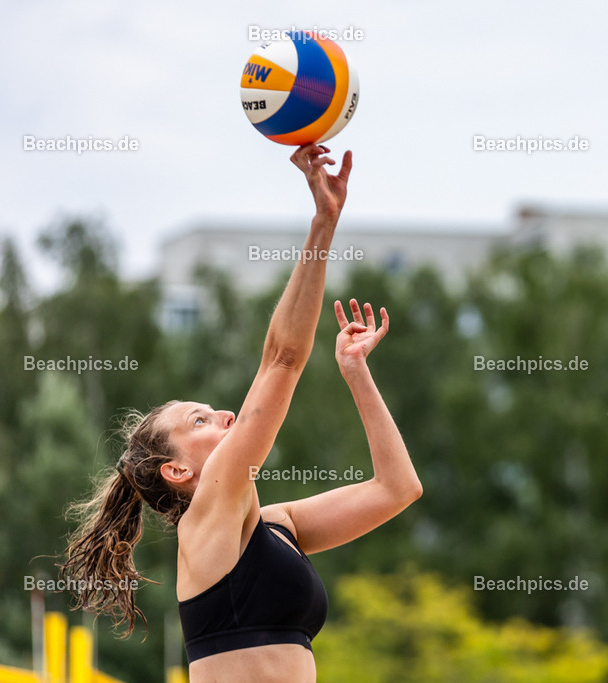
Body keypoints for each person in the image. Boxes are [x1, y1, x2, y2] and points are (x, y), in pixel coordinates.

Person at [61, 145, 422, 682]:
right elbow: (283, 358)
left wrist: (355, 371)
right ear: (177, 471)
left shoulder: (278, 527)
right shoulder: (205, 519)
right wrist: (323, 224)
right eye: (198, 421)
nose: (224, 414)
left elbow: (398, 489)